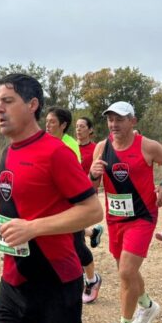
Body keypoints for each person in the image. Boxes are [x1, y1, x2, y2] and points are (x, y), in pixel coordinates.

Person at [0, 74, 135, 323]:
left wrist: (33, 228)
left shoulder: (56, 152)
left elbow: (92, 210)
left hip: (56, 281)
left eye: (8, 101)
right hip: (15, 278)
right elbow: (25, 201)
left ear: (32, 104)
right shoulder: (9, 152)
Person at [89, 101, 162, 323]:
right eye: (110, 119)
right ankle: (147, 305)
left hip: (142, 217)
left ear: (132, 121)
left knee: (126, 271)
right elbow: (91, 187)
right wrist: (92, 174)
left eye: (119, 119)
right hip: (115, 219)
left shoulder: (148, 146)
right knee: (127, 271)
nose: (113, 124)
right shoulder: (101, 148)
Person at [45, 108, 102, 304]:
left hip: (72, 202)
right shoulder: (42, 141)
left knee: (77, 245)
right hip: (52, 202)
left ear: (63, 125)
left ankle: (92, 280)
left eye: (52, 122)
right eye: (46, 121)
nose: (47, 125)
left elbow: (71, 177)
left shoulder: (69, 146)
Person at [76, 117, 105, 249]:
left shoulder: (96, 148)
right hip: (70, 191)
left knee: (75, 226)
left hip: (88, 191)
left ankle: (82, 258)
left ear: (90, 130)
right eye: (77, 126)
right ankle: (93, 232)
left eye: (82, 126)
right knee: (73, 227)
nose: (78, 129)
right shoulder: (70, 146)